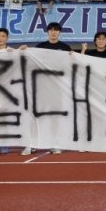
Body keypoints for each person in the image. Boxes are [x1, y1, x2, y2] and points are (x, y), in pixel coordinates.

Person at [20, 21, 72, 154]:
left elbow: (71, 64)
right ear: (47, 32)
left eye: (56, 30)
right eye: (51, 30)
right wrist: (25, 51)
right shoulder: (40, 46)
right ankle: (32, 144)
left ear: (59, 32)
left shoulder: (65, 48)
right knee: (36, 115)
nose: (53, 32)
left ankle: (55, 143)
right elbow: (31, 61)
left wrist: (74, 56)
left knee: (55, 116)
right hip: (41, 86)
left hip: (57, 87)